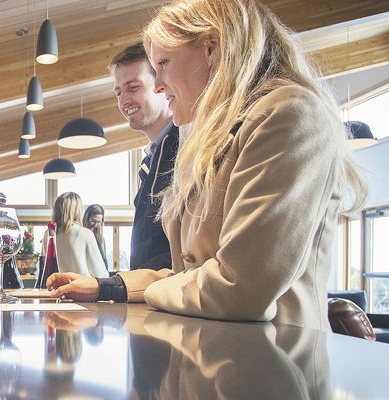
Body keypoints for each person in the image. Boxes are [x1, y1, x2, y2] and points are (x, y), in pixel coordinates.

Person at [47, 0, 366, 330]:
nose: (158, 85)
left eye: (163, 65)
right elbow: (188, 277)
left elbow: (238, 287)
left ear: (210, 48)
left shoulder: (289, 114)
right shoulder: (208, 134)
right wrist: (106, 286)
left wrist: (146, 289)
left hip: (275, 365)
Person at [110, 42, 179, 271]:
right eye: (118, 92)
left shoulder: (184, 147)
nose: (123, 101)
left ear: (161, 86)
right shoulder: (152, 156)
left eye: (133, 87)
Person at [43, 193, 108, 279]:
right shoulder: (85, 234)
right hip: (81, 290)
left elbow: (44, 265)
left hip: (56, 288)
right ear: (78, 210)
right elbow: (100, 273)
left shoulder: (48, 233)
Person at [82, 204, 109, 270]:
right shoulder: (80, 235)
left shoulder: (100, 238)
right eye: (93, 221)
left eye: (99, 222)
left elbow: (104, 260)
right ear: (86, 219)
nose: (96, 225)